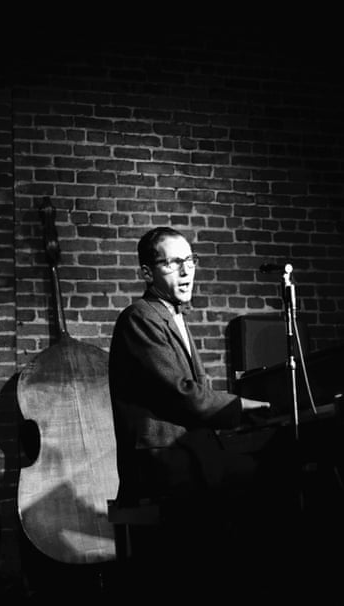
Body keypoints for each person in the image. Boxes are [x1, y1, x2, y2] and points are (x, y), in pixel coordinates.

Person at [108, 227, 274, 595]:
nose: (185, 272)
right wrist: (241, 406)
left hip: (184, 452)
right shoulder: (140, 317)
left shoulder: (170, 314)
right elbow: (182, 395)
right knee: (264, 482)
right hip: (161, 462)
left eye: (189, 260)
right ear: (147, 273)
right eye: (172, 263)